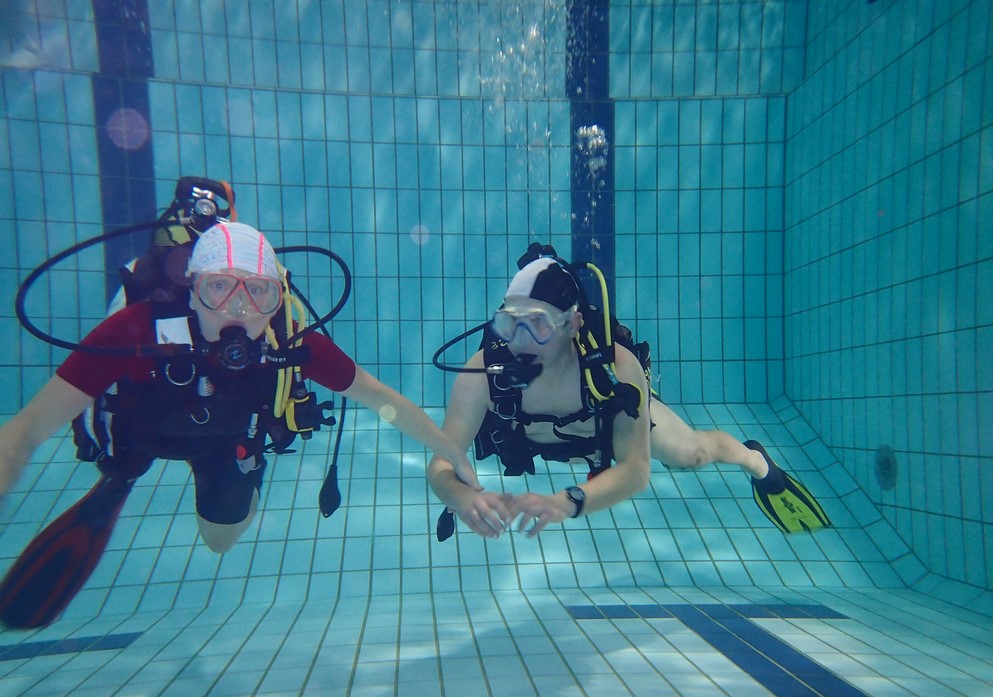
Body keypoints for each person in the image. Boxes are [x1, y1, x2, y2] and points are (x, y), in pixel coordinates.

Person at [0, 221, 481, 553]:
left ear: (278, 298)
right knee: (124, 463)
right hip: (137, 434)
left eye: (257, 290)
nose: (238, 308)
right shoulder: (135, 330)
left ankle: (239, 478)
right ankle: (121, 478)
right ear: (192, 290)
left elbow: (380, 399)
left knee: (221, 540)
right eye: (219, 287)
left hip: (224, 442)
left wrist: (448, 449)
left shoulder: (292, 342)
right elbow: (26, 430)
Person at [427, 252, 828, 540]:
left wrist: (568, 501)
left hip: (606, 425)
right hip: (545, 440)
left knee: (692, 455)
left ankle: (757, 462)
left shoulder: (614, 366)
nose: (520, 340)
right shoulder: (482, 375)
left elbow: (635, 470)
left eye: (538, 325)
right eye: (508, 324)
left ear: (572, 325)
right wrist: (460, 496)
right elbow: (442, 462)